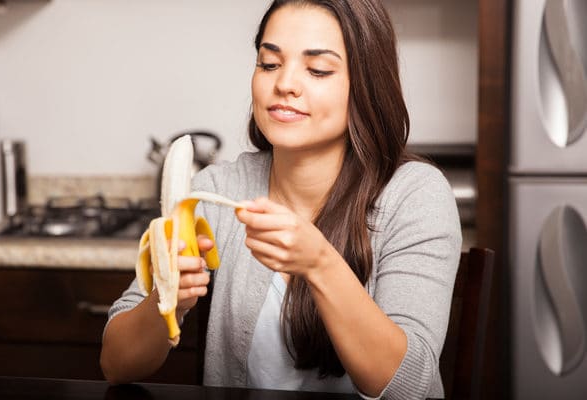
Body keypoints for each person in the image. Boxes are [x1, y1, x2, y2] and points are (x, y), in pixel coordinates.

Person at [100, 0, 461, 398]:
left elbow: (409, 386)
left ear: (366, 85)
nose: (284, 83)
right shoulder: (219, 189)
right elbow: (116, 365)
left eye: (318, 69)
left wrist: (321, 265)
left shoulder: (416, 196)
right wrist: (168, 298)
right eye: (269, 64)